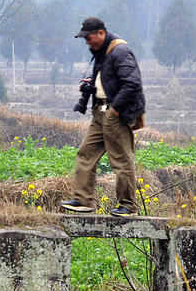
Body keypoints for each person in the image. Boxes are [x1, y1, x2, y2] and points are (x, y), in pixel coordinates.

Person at [60, 16, 145, 216]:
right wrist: (93, 83)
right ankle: (83, 201)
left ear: (101, 33)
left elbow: (132, 83)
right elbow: (111, 79)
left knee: (121, 160)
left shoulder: (119, 51)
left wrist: (115, 110)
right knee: (85, 153)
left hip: (114, 113)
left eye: (88, 38)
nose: (87, 42)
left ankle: (128, 206)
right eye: (85, 39)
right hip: (99, 112)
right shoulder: (102, 52)